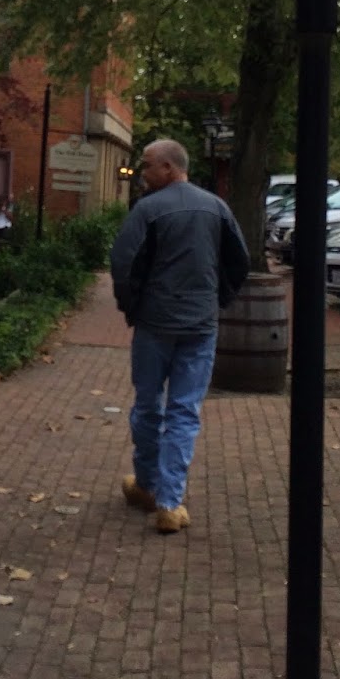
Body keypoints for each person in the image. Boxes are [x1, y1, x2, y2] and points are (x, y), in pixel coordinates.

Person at [109, 137, 250, 533]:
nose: (142, 172)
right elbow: (238, 261)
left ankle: (147, 484)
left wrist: (132, 306)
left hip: (155, 323)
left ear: (169, 168)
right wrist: (215, 300)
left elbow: (123, 262)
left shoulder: (148, 209)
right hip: (200, 325)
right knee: (184, 411)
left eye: (147, 165)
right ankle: (170, 503)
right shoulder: (216, 207)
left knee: (148, 404)